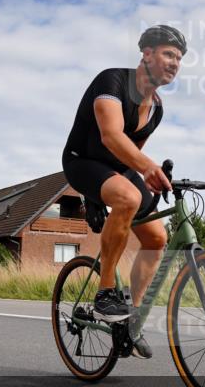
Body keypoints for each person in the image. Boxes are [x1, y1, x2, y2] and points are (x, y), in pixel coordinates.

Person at [61, 25, 185, 359]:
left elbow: (130, 151)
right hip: (81, 161)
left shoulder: (156, 109)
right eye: (169, 54)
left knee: (157, 238)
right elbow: (112, 136)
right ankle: (105, 292)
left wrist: (146, 176)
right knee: (127, 197)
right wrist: (143, 169)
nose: (175, 63)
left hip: (114, 169)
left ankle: (131, 317)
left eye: (180, 58)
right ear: (147, 53)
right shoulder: (112, 81)